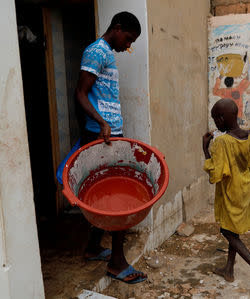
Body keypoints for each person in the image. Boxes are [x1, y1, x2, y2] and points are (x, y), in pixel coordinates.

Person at [75, 11, 147, 284]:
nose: (128, 46)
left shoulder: (107, 52)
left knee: (107, 194)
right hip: (102, 136)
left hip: (109, 133)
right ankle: (117, 264)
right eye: (128, 38)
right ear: (117, 28)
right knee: (119, 197)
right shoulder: (96, 51)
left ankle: (94, 247)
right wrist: (101, 123)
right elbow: (80, 93)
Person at [202, 99, 250, 296]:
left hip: (231, 192)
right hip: (245, 189)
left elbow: (215, 175)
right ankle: (229, 270)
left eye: (215, 119)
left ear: (222, 118)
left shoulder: (221, 142)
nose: (215, 123)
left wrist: (205, 149)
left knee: (227, 232)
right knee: (233, 230)